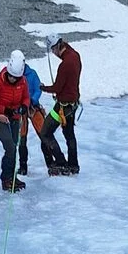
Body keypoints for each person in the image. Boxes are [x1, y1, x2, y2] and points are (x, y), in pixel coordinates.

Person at [0, 51, 31, 192]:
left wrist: (24, 106)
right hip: (1, 119)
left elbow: (26, 98)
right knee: (10, 146)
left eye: (15, 77)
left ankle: (12, 176)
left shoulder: (22, 82)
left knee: (14, 147)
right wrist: (5, 110)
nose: (12, 79)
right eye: (11, 76)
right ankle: (6, 178)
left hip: (15, 118)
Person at [39, 33, 83, 176]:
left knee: (45, 132)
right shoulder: (75, 56)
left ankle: (61, 163)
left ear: (57, 46)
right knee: (69, 134)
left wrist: (43, 87)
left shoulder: (65, 65)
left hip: (63, 107)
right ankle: (73, 165)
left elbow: (57, 87)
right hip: (73, 104)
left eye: (53, 50)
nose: (53, 53)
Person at [10, 50, 47, 176]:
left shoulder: (31, 74)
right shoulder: (17, 75)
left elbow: (38, 89)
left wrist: (33, 100)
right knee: (22, 138)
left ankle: (50, 162)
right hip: (22, 109)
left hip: (32, 107)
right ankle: (23, 166)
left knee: (43, 134)